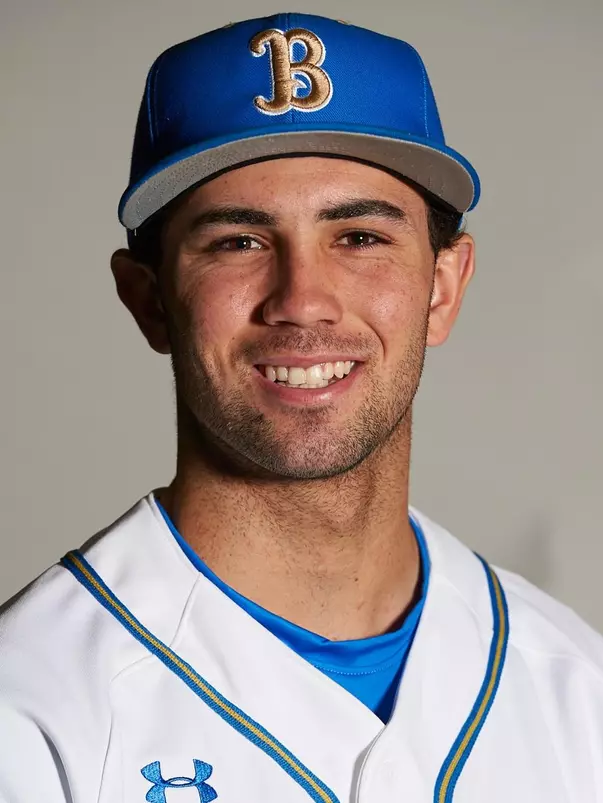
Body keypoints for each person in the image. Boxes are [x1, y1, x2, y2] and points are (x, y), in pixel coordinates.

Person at [1, 12, 602, 803]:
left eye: (358, 237)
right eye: (237, 242)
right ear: (146, 299)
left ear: (442, 287)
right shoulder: (29, 706)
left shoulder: (575, 687)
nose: (302, 301)